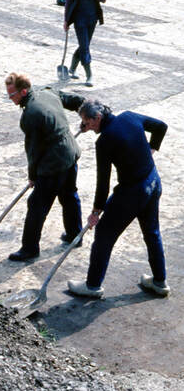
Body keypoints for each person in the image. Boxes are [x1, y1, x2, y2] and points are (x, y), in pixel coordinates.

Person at [67, 100, 170, 298]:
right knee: (152, 232)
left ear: (97, 118)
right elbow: (160, 127)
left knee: (104, 235)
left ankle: (92, 286)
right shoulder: (129, 116)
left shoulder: (104, 141)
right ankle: (159, 281)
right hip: (152, 182)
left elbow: (103, 182)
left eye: (87, 122)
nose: (86, 127)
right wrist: (152, 149)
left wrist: (96, 211)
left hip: (131, 193)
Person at [4, 72, 85, 262]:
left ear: (23, 91)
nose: (10, 99)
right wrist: (85, 114)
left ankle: (29, 249)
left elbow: (34, 151)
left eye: (11, 95)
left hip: (54, 163)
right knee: (69, 194)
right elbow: (76, 100)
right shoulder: (47, 92)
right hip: (71, 152)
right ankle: (75, 235)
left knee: (37, 204)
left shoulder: (30, 114)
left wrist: (33, 176)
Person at [64, 0, 107, 87]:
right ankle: (89, 76)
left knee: (85, 45)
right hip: (79, 19)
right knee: (84, 46)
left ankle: (72, 69)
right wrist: (66, 21)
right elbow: (68, 2)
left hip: (92, 19)